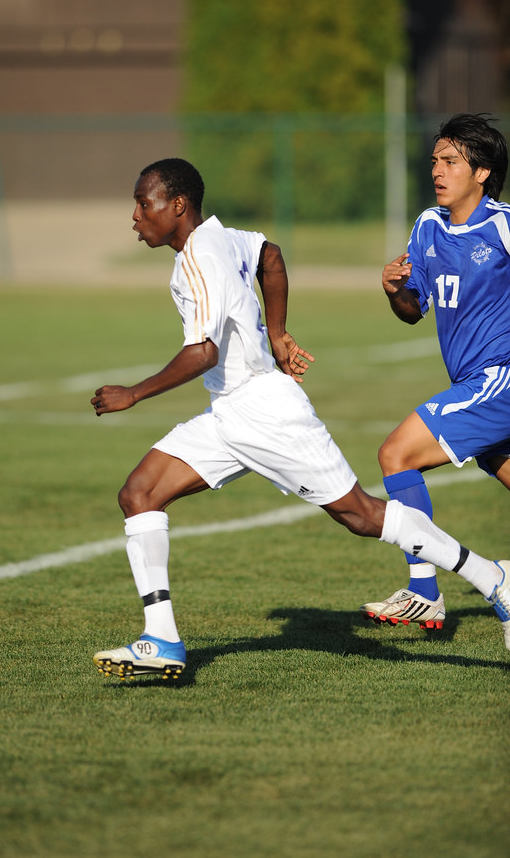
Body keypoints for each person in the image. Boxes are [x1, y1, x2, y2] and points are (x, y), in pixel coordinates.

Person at [90, 157, 509, 680]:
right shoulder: (220, 236)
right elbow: (271, 256)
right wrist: (278, 331)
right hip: (228, 414)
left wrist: (134, 393)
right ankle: (163, 639)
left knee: (360, 515)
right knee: (140, 493)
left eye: (141, 203)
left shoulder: (197, 256)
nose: (134, 216)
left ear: (177, 207)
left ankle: (493, 580)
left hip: (265, 413)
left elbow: (203, 353)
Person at [361, 113, 510, 629]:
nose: (438, 171)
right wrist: (394, 290)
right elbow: (413, 310)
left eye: (451, 162)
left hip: (499, 380)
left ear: (483, 172)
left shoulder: (504, 226)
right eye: (435, 161)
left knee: (396, 454)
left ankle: (424, 588)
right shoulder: (427, 225)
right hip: (472, 383)